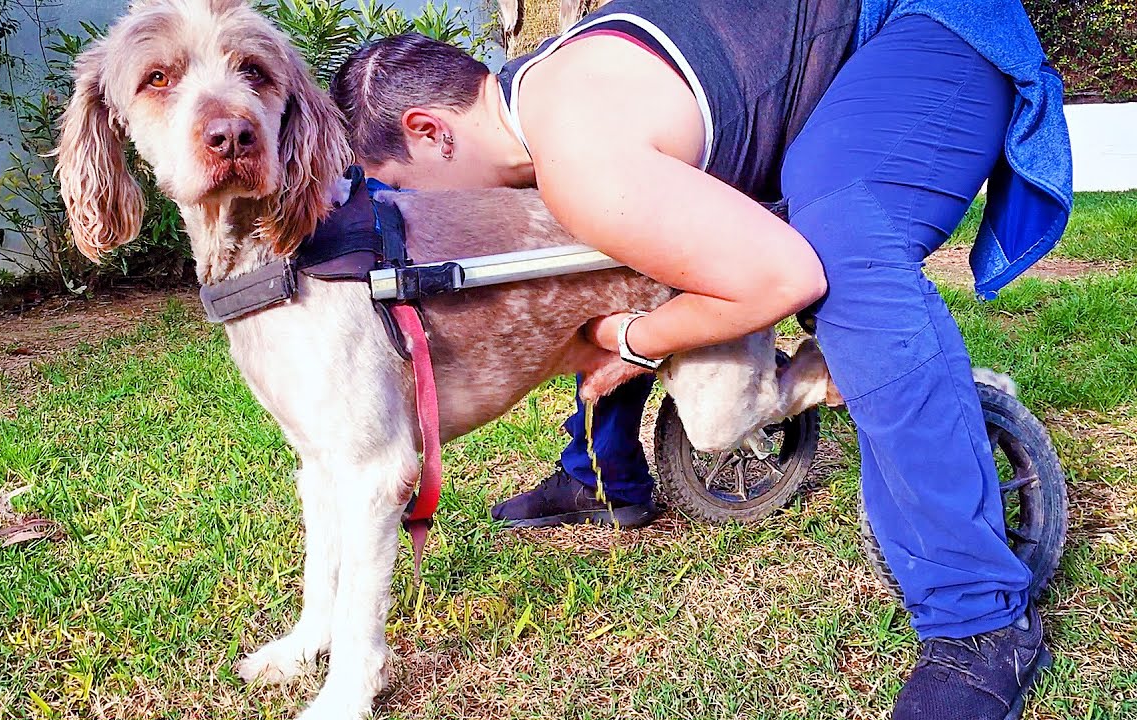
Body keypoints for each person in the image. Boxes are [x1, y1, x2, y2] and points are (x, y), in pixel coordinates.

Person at [331, 0, 1071, 716]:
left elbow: (783, 280)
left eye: (400, 189)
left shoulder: (577, 154)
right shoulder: (541, 84)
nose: (412, 211)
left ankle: (979, 619)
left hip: (927, 23)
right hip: (848, 51)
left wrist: (632, 342)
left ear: (430, 132)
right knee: (633, 250)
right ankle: (603, 475)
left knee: (845, 237)